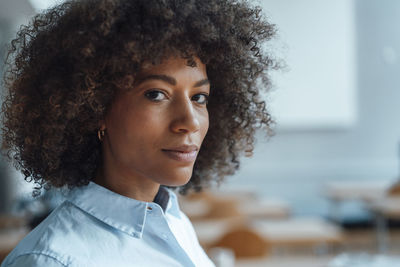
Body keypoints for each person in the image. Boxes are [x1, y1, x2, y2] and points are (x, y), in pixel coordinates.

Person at [0, 0, 276, 266]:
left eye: (199, 97)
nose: (190, 121)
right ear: (95, 109)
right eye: (156, 94)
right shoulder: (52, 260)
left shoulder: (174, 222)